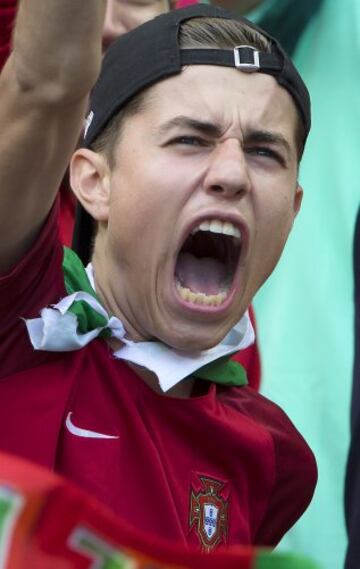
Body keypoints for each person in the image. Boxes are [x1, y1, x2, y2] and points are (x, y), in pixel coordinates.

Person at [0, 0, 317, 551]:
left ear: (292, 208)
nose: (232, 173)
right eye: (190, 139)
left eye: (265, 152)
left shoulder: (275, 458)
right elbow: (44, 85)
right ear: (94, 181)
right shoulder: (19, 319)